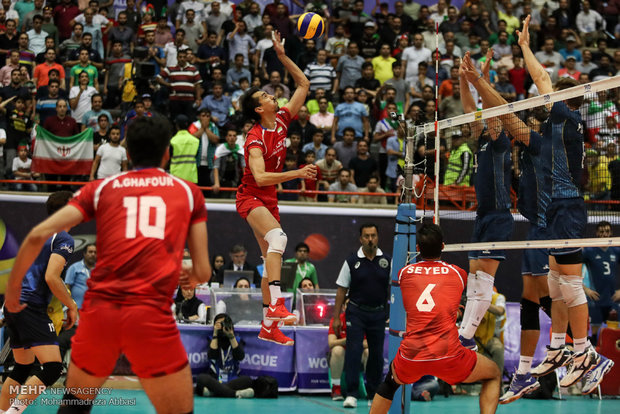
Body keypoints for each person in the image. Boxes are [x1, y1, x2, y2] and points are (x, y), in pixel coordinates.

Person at [4, 116, 212, 413]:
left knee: (75, 406)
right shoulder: (190, 193)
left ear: (128, 154)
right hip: (149, 317)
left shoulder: (103, 187)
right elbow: (203, 272)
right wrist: (188, 270)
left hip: (101, 316)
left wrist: (12, 295)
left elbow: (37, 235)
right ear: (168, 153)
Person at [518, 16, 604, 387]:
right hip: (554, 208)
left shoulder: (567, 117)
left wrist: (524, 47)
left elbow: (542, 82)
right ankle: (557, 347)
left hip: (568, 206)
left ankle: (587, 353)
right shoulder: (552, 128)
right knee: (554, 281)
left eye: (550, 97)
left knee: (568, 285)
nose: (543, 100)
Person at [369, 224, 501, 414]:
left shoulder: (404, 273)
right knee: (494, 373)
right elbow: (471, 292)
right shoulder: (458, 273)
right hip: (448, 354)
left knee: (389, 383)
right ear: (443, 246)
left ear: (417, 249)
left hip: (411, 355)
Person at [237, 31, 316, 346]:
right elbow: (259, 178)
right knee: (279, 238)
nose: (273, 97)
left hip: (268, 199)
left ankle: (268, 325)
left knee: (272, 256)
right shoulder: (254, 139)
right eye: (266, 97)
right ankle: (279, 303)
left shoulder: (282, 119)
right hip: (250, 197)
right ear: (259, 109)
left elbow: (303, 85)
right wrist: (296, 172)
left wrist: (282, 56)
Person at [456, 52, 513, 354]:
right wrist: (463, 77)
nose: (488, 120)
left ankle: (465, 337)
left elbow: (491, 106)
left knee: (484, 281)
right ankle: (465, 336)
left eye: (493, 119)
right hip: (482, 216)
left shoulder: (502, 141)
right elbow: (469, 107)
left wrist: (481, 75)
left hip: (499, 216)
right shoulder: (481, 139)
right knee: (473, 278)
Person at [0, 191, 77, 413]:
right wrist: (71, 306)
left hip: (14, 304)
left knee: (22, 367)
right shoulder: (62, 237)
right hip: (29, 306)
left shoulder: (37, 234)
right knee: (52, 368)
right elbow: (51, 277)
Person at [333, 223, 391, 408]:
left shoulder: (387, 261)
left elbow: (396, 287)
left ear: (378, 237)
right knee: (354, 351)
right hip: (356, 313)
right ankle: (351, 394)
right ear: (360, 239)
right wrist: (335, 318)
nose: (370, 239)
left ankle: (373, 392)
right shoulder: (351, 262)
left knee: (376, 353)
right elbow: (341, 290)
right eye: (366, 236)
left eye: (373, 235)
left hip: (378, 314)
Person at [582, 221, 620, 362]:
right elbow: (572, 269)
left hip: (613, 300)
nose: (605, 234)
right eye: (602, 231)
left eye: (607, 231)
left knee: (614, 337)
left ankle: (614, 366)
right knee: (593, 338)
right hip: (596, 301)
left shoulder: (616, 250)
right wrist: (585, 289)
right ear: (597, 233)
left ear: (611, 233)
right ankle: (591, 366)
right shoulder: (590, 251)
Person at [195, 313, 255, 398]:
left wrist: (231, 336)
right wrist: (215, 333)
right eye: (219, 324)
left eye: (224, 323)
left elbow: (240, 357)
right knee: (201, 378)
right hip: (215, 378)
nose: (222, 326)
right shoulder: (212, 339)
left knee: (247, 380)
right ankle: (235, 393)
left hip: (232, 378)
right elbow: (212, 356)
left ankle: (214, 392)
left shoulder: (237, 340)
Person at [58, 243, 97, 361]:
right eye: (90, 252)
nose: (93, 254)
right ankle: (56, 370)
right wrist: (69, 308)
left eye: (95, 252)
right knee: (64, 341)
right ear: (84, 254)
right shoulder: (74, 268)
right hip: (76, 315)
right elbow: (66, 289)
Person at [328, 299, 368, 402]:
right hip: (343, 355)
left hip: (359, 354)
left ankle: (369, 387)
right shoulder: (336, 320)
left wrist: (356, 341)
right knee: (337, 350)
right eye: (347, 305)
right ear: (343, 307)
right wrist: (347, 340)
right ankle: (336, 388)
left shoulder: (364, 321)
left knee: (368, 351)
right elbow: (331, 342)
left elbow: (369, 343)